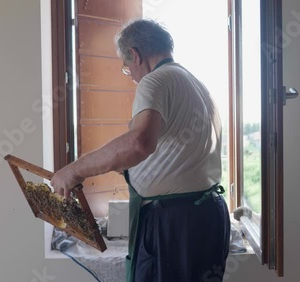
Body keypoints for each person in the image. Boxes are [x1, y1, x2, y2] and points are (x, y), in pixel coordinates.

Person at [51, 19, 230, 282]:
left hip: (173, 223)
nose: (132, 78)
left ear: (135, 54)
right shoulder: (194, 84)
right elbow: (172, 152)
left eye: (126, 69)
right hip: (207, 216)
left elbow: (139, 143)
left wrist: (74, 170)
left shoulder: (155, 81)